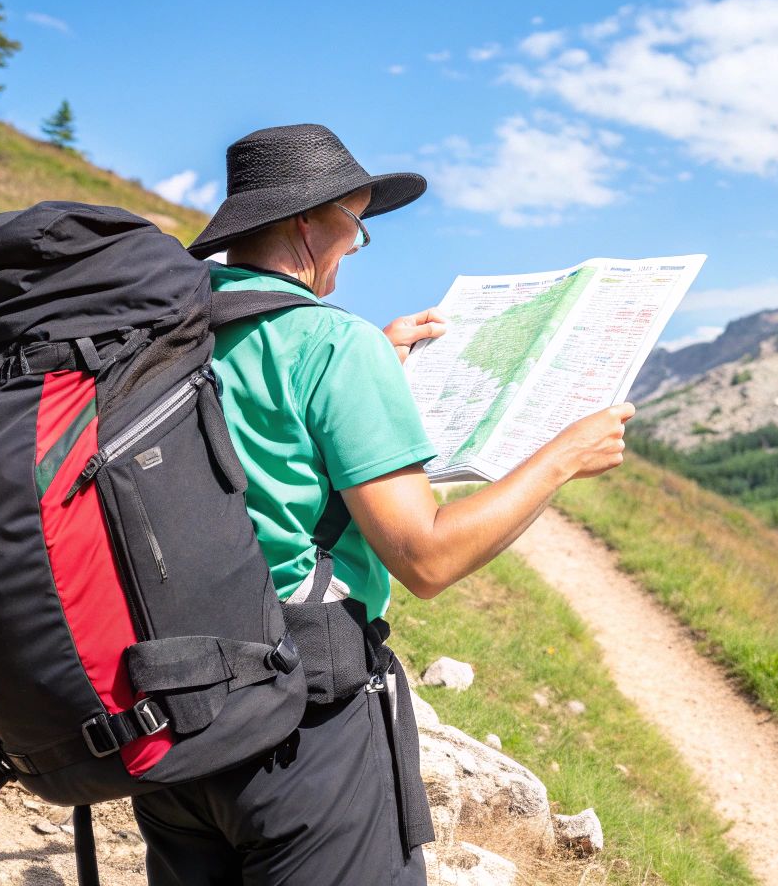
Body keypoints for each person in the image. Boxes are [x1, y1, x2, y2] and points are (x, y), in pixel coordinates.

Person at [128, 123, 634, 885]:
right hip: (299, 721)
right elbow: (424, 557)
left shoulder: (174, 331)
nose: (358, 243)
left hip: (173, 710)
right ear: (306, 223)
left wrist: (377, 361)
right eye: (354, 223)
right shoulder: (332, 345)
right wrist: (562, 456)